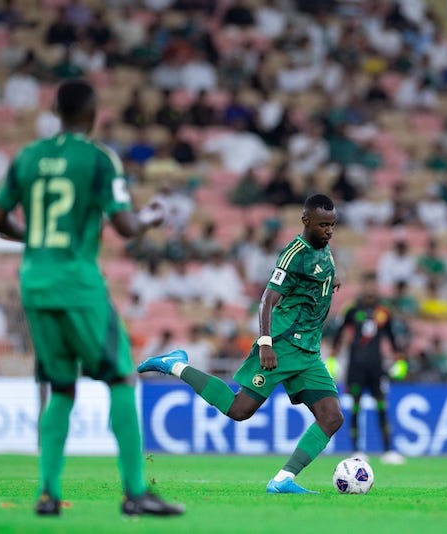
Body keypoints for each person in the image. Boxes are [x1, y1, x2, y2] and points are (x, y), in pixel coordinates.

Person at [0, 79, 184, 518]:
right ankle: (136, 491)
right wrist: (152, 214)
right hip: (77, 282)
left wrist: (35, 242)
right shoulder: (98, 159)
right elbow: (126, 227)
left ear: (56, 111)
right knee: (120, 378)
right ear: (93, 112)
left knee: (60, 386)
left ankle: (47, 494)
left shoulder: (27, 157)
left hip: (34, 282)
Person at [138, 194, 344, 494]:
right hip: (283, 345)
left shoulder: (324, 251)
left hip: (309, 352)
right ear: (306, 221)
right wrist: (265, 343)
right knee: (239, 410)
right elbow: (267, 300)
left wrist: (331, 281)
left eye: (332, 225)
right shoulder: (293, 254)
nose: (328, 231)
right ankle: (175, 365)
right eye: (323, 225)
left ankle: (283, 480)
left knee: (332, 417)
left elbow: (316, 275)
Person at [330, 271, 406, 465]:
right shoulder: (352, 309)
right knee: (355, 407)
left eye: (374, 285)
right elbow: (339, 332)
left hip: (376, 367)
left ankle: (388, 450)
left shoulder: (384, 311)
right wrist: (334, 355)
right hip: (355, 367)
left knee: (382, 406)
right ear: (363, 287)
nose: (371, 289)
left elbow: (391, 336)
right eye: (368, 285)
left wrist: (398, 357)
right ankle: (356, 449)